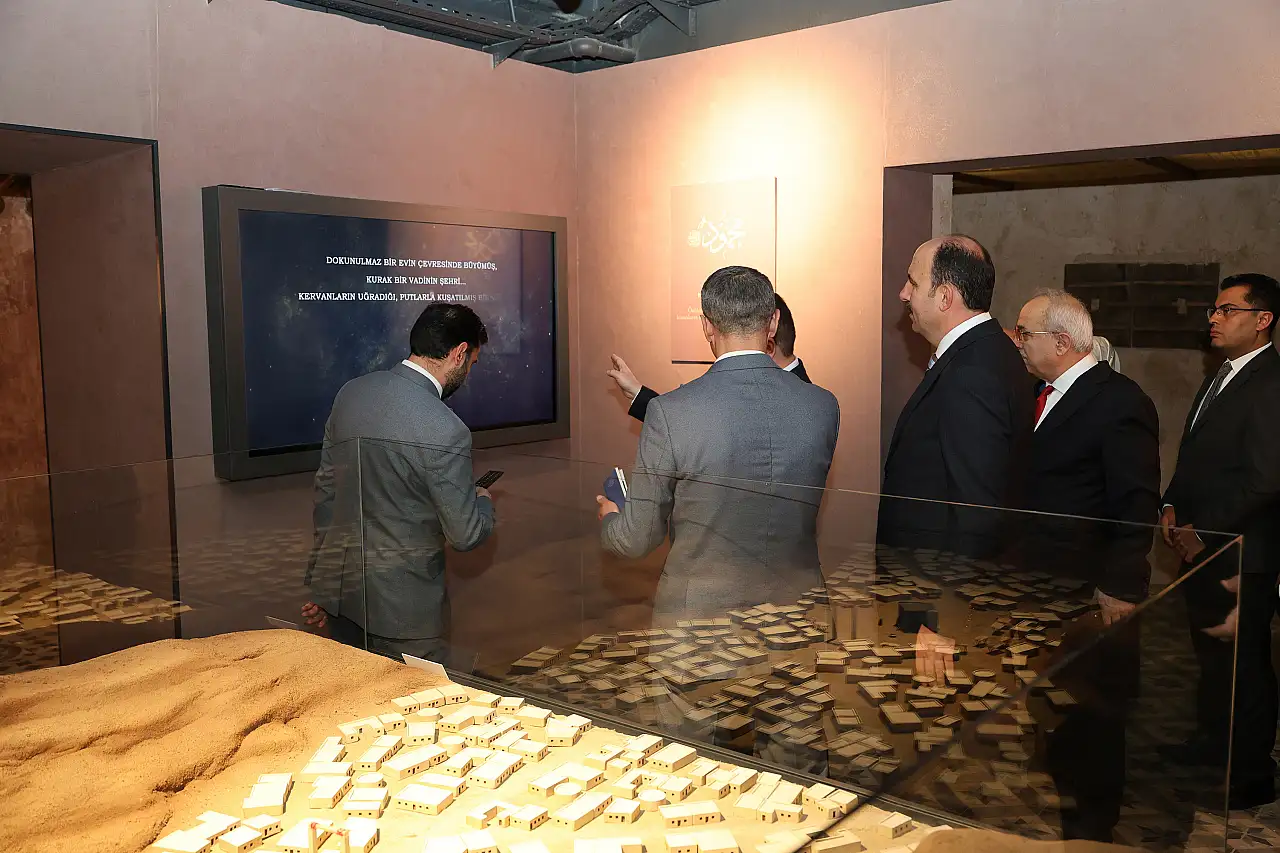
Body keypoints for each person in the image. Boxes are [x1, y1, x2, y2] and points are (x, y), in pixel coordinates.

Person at [596, 266, 839, 620]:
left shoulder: (670, 413)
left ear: (706, 326)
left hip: (702, 624)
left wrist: (610, 519)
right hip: (800, 618)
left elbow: (635, 539)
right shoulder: (823, 406)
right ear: (773, 322)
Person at [1012, 290, 1160, 843]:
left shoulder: (1119, 401)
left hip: (1091, 591)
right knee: (1057, 709)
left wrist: (1120, 586)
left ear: (1062, 341)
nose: (1017, 342)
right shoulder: (1039, 394)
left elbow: (1136, 501)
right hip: (1044, 584)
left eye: (1024, 333)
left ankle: (1094, 831)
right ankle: (1064, 811)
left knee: (1094, 716)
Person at [303, 303, 496, 664]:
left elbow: (326, 491)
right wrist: (483, 500)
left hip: (343, 596)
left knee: (354, 696)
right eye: (472, 362)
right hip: (406, 614)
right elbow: (466, 535)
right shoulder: (447, 429)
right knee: (417, 700)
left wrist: (321, 582)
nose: (469, 373)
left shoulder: (351, 393)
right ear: (459, 353)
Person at [1158, 273, 1280, 810]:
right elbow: (1194, 458)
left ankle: (1252, 774)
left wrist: (1202, 531)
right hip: (1202, 548)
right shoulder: (1220, 375)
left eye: (1228, 310)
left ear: (1263, 320)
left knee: (1244, 665)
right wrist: (1170, 504)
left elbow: (1265, 479)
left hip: (1242, 553)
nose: (1214, 318)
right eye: (1214, 309)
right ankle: (1212, 745)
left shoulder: (1271, 382)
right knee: (1211, 657)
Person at [879, 235, 1034, 557]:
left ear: (945, 297)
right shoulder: (984, 352)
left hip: (936, 578)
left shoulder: (973, 372)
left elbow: (976, 511)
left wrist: (955, 589)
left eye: (913, 283)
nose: (903, 294)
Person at [607, 293, 810, 422]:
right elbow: (693, 423)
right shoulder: (808, 400)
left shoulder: (799, 408)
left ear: (768, 347)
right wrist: (638, 392)